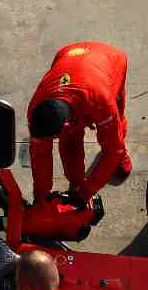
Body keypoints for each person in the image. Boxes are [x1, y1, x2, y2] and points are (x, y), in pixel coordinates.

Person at [27, 41, 131, 203]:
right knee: (70, 142)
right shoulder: (36, 107)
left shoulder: (101, 101)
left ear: (66, 124)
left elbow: (112, 151)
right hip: (68, 54)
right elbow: (39, 154)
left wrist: (87, 191)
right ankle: (75, 183)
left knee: (115, 126)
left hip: (111, 60)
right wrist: (41, 197)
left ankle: (124, 158)